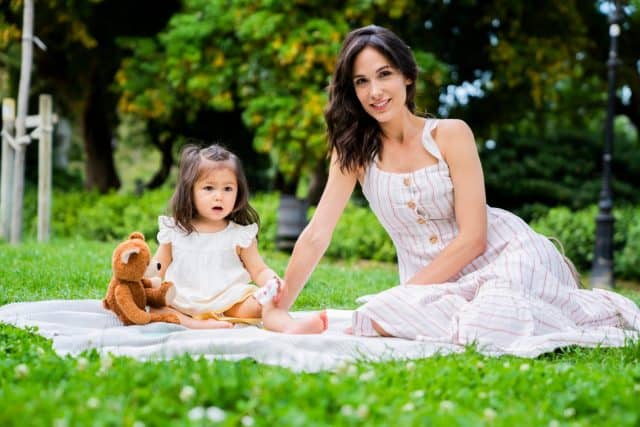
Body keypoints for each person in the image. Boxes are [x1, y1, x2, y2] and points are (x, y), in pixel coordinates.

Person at [276, 25, 640, 348]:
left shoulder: (450, 134)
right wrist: (279, 309)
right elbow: (316, 235)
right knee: (384, 317)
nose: (375, 91)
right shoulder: (353, 154)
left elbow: (474, 239)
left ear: (406, 76)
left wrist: (403, 295)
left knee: (488, 319)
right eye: (361, 81)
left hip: (504, 257)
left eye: (384, 74)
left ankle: (572, 301)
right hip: (431, 287)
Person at [151, 144, 328, 333]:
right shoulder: (175, 231)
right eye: (209, 188)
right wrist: (147, 283)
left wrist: (272, 282)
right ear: (190, 190)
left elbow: (258, 270)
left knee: (262, 303)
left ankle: (286, 324)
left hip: (230, 303)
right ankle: (197, 324)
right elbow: (157, 266)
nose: (219, 196)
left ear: (239, 192)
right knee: (156, 307)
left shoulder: (239, 235)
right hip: (181, 302)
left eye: (228, 189)